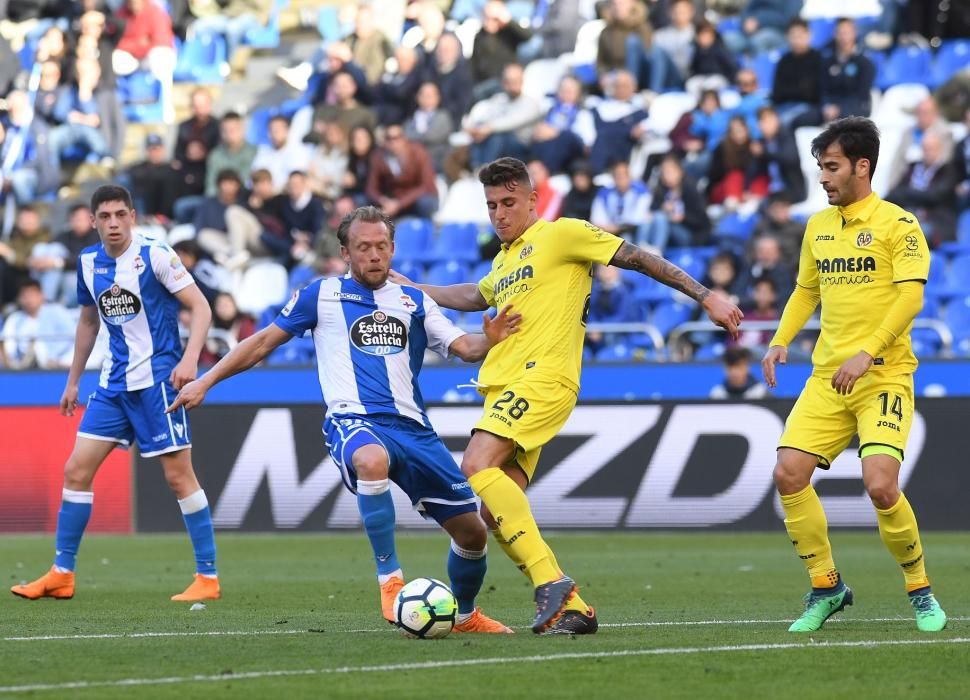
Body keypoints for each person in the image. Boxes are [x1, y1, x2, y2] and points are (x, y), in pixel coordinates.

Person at [390, 157, 742, 634]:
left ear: (534, 199)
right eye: (492, 205)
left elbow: (637, 257)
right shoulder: (505, 259)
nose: (500, 214)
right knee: (495, 510)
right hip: (506, 386)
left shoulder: (563, 234)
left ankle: (549, 581)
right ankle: (574, 607)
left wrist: (705, 296)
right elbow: (477, 295)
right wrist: (416, 289)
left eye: (509, 202)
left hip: (544, 378)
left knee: (475, 465)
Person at [168, 206, 519, 634]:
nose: (374, 255)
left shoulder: (415, 301)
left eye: (381, 246)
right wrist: (206, 381)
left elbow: (464, 347)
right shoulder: (321, 294)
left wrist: (492, 339)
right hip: (353, 420)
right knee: (371, 460)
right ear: (345, 252)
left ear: (392, 249)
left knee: (473, 533)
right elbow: (261, 344)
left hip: (413, 429)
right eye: (364, 247)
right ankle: (390, 581)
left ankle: (464, 614)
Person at [761, 117, 947, 633]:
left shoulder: (899, 225)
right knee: (788, 473)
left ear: (862, 166)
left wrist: (867, 352)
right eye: (820, 167)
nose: (822, 177)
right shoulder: (818, 226)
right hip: (827, 378)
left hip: (882, 376)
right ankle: (827, 586)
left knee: (880, 485)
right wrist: (779, 342)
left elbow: (912, 295)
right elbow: (805, 291)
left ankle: (920, 588)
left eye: (831, 167)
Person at [10, 185, 217, 603]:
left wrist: (191, 359)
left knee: (179, 477)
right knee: (76, 471)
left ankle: (207, 577)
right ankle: (62, 573)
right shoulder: (88, 262)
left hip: (159, 381)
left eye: (120, 214)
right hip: (112, 385)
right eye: (104, 216)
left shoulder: (156, 254)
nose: (113, 223)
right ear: (93, 221)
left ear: (133, 216)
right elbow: (88, 322)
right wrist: (72, 381)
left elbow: (201, 307)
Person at [1, 279, 75, 369]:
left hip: (58, 363)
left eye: (32, 295)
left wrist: (54, 358)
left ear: (42, 295)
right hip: (22, 366)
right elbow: (7, 345)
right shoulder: (15, 318)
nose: (28, 300)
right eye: (25, 296)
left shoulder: (57, 312)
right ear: (19, 299)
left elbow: (71, 338)